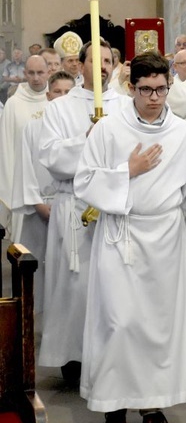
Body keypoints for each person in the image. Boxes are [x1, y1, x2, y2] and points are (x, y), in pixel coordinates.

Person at [74, 51, 186, 423]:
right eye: (146, 90)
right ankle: (114, 408)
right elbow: (85, 181)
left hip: (166, 240)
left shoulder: (184, 133)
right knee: (118, 323)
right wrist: (128, 171)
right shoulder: (108, 129)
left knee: (160, 328)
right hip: (121, 234)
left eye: (161, 89)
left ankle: (153, 408)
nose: (155, 98)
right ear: (131, 87)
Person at [37, 39, 130, 385]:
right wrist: (87, 138)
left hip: (114, 208)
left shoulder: (125, 105)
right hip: (73, 207)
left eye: (108, 60)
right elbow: (50, 157)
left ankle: (111, 355)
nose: (103, 67)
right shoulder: (60, 108)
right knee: (75, 287)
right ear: (81, 64)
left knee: (113, 287)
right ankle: (73, 359)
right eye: (96, 60)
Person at [11, 71, 75, 313]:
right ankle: (35, 314)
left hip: (69, 206)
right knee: (37, 264)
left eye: (68, 93)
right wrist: (37, 203)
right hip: (39, 206)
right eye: (57, 92)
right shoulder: (33, 128)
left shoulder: (80, 129)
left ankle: (64, 315)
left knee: (66, 265)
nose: (61, 97)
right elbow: (24, 167)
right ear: (48, 95)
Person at [0, 55, 50, 233]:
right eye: (31, 73)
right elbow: (6, 148)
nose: (36, 78)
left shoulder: (56, 101)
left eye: (40, 72)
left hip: (52, 184)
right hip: (22, 184)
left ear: (48, 72)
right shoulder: (14, 104)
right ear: (24, 73)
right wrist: (10, 189)